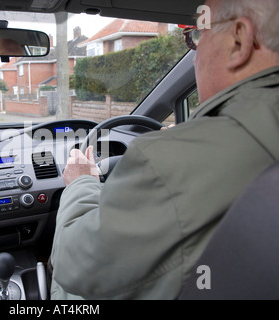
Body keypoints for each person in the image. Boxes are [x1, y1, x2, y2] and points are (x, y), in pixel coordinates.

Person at [50, 0, 279, 300]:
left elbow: (73, 264)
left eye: (198, 35)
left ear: (238, 40)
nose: (194, 54)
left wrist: (81, 183)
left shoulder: (168, 162)